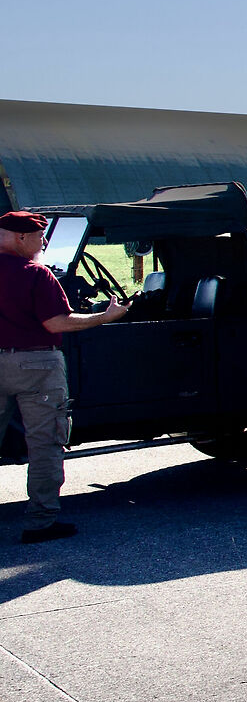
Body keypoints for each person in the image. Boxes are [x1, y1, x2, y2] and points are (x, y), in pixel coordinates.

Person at [0, 211, 129, 545]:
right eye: (40, 237)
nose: (43, 243)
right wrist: (105, 316)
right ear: (21, 238)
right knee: (45, 442)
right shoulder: (36, 274)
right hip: (37, 365)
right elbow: (57, 323)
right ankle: (40, 520)